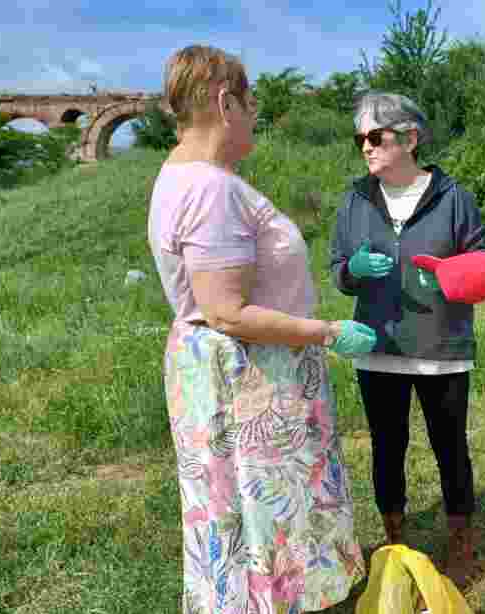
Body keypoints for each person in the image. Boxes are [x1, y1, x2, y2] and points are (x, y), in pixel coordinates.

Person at [147, 44, 377, 613]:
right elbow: (226, 311)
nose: (255, 116)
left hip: (225, 371)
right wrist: (326, 330)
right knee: (270, 510)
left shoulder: (181, 176)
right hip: (253, 378)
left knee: (235, 512)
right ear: (226, 103)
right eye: (250, 104)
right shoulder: (211, 188)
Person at [329, 92, 485, 589]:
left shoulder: (453, 197)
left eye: (376, 137)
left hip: (442, 348)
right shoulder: (355, 199)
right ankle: (394, 539)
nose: (366, 148)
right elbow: (336, 270)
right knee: (386, 447)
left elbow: (482, 263)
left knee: (450, 447)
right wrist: (351, 272)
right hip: (378, 348)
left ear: (411, 138)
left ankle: (461, 541)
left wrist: (453, 274)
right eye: (360, 139)